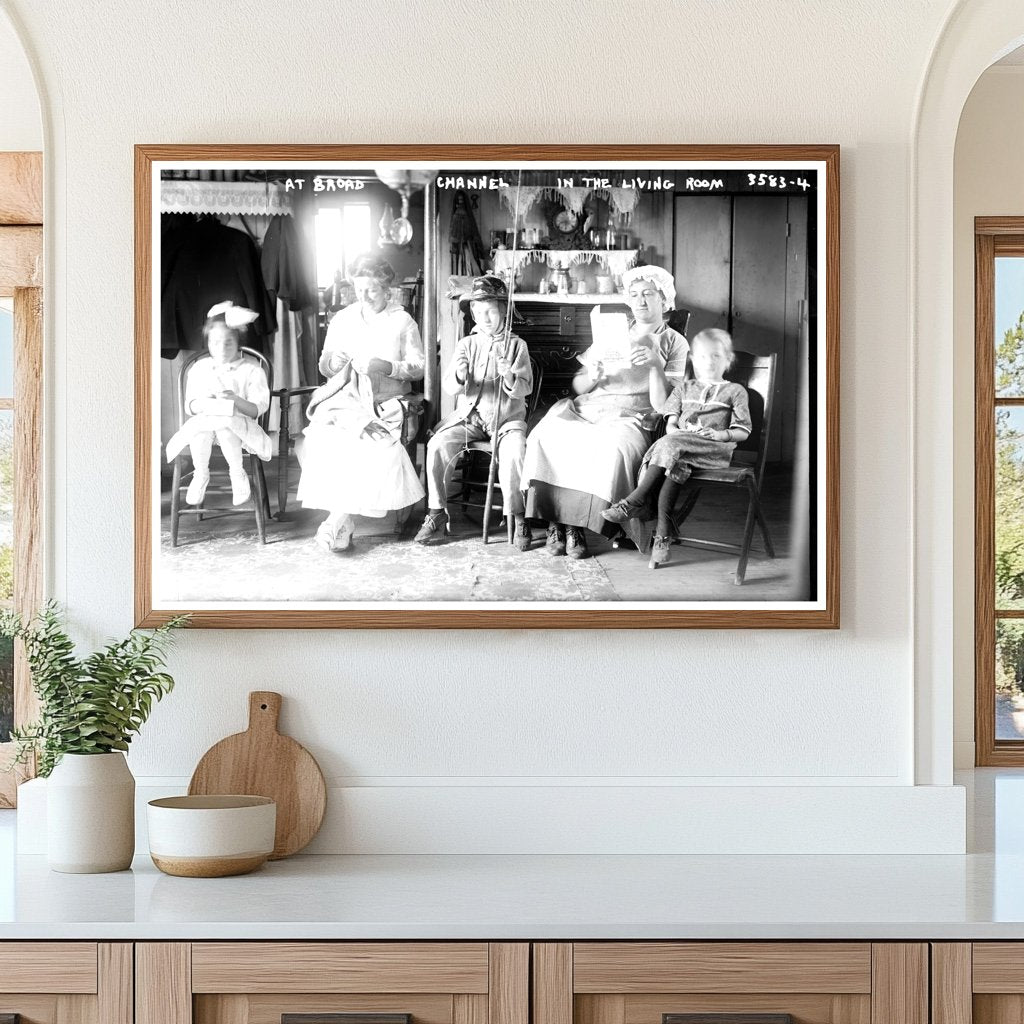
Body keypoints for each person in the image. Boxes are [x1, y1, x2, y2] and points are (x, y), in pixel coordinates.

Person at [521, 265, 688, 559]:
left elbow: (665, 405)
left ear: (664, 300)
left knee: (612, 448)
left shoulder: (674, 342)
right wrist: (593, 375)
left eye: (648, 294)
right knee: (546, 434)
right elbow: (578, 385)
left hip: (633, 415)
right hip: (591, 406)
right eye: (634, 295)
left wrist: (655, 366)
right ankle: (557, 523)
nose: (640, 301)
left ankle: (577, 525)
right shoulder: (614, 332)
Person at [296, 254, 425, 552]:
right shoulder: (343, 319)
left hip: (386, 401)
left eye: (372, 290)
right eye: (359, 289)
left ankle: (336, 522)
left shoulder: (402, 320)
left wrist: (385, 366)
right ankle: (343, 522)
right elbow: (325, 366)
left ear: (387, 290)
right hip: (348, 400)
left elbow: (418, 367)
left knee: (377, 449)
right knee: (323, 442)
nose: (364, 296)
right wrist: (333, 362)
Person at [601, 328, 751, 567]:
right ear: (692, 360)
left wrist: (720, 433)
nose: (709, 362)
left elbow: (743, 431)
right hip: (679, 452)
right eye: (702, 356)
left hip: (712, 450)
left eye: (716, 356)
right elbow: (670, 422)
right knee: (674, 462)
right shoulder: (683, 388)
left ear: (728, 360)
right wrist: (678, 434)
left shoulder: (735, 391)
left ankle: (635, 500)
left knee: (670, 445)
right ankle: (662, 538)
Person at [415, 275, 534, 549]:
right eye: (479, 312)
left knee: (516, 452)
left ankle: (518, 516)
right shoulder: (466, 344)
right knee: (437, 445)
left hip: (507, 420)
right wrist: (458, 375)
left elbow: (524, 389)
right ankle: (435, 514)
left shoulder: (517, 345)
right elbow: (449, 387)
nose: (486, 318)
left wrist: (510, 376)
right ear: (473, 314)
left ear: (504, 311)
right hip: (471, 419)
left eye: (492, 311)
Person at [165, 301, 271, 506]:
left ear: (238, 342)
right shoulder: (200, 368)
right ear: (208, 343)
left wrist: (236, 400)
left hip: (241, 428)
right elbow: (191, 406)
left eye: (228, 343)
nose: (221, 348)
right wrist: (204, 403)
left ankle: (237, 473)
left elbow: (257, 409)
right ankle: (201, 473)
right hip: (206, 424)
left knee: (225, 425)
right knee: (200, 428)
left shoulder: (251, 370)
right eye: (215, 342)